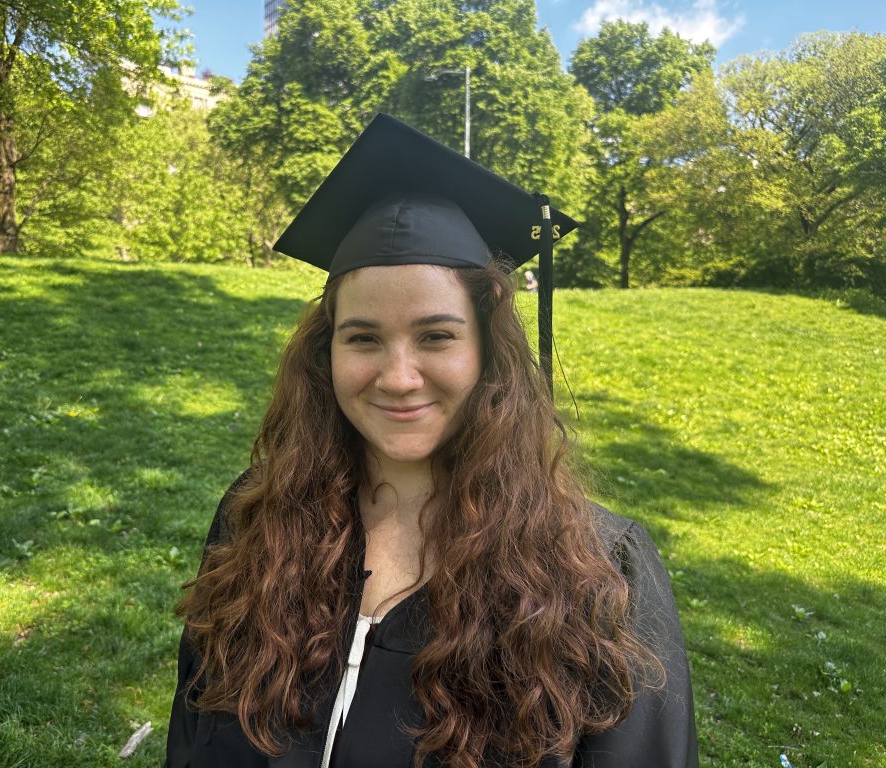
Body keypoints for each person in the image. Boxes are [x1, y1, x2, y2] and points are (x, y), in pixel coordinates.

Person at [165, 114, 697, 768]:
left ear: (487, 354)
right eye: (362, 337)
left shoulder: (598, 578)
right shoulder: (256, 522)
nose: (397, 376)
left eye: (436, 336)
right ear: (324, 352)